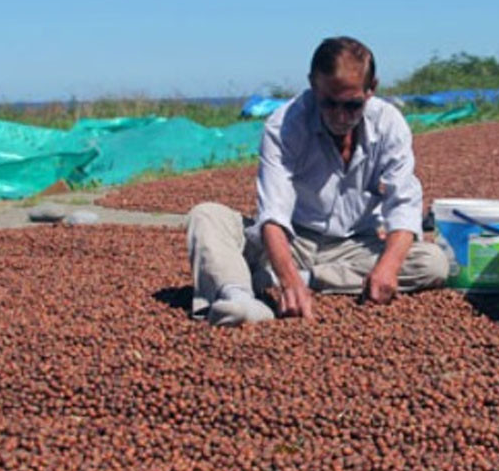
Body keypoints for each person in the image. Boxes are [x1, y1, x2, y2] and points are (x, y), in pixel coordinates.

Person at [186, 36, 448, 326]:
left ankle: (287, 278)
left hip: (356, 244)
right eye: (329, 103)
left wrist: (388, 266)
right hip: (293, 240)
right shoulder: (285, 125)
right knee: (207, 216)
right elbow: (272, 213)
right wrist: (288, 280)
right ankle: (239, 297)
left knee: (432, 262)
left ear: (371, 89)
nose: (339, 116)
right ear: (313, 84)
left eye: (352, 105)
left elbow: (404, 204)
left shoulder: (389, 124)